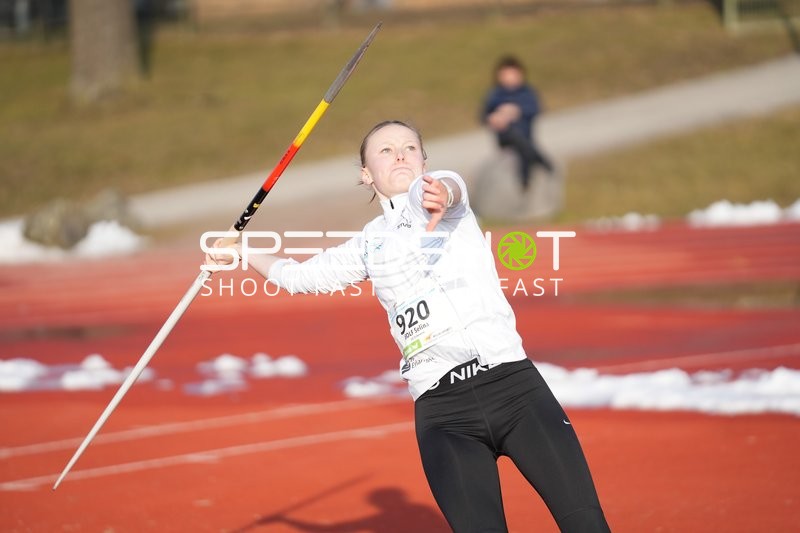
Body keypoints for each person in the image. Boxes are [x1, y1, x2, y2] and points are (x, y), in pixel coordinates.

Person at [206, 120, 610, 532]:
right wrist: (242, 251)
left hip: (514, 391)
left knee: (585, 524)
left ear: (424, 162)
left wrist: (443, 193)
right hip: (444, 416)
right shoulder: (368, 244)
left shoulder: (446, 204)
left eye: (409, 148)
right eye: (385, 150)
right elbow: (299, 277)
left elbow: (450, 186)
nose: (399, 155)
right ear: (366, 175)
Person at [482, 55, 554, 190]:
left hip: (526, 136)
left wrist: (517, 111)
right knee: (514, 134)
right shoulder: (496, 95)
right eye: (505, 75)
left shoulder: (527, 92)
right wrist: (495, 118)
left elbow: (536, 109)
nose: (509, 78)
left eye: (512, 74)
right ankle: (539, 159)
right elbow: (484, 115)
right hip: (506, 138)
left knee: (522, 144)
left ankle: (526, 180)